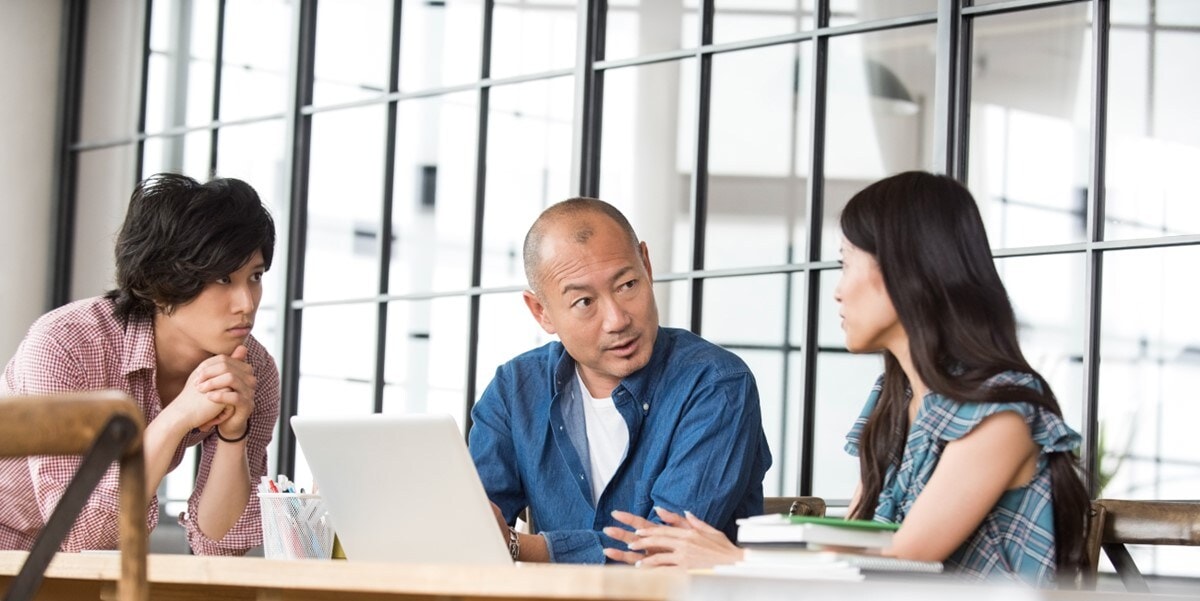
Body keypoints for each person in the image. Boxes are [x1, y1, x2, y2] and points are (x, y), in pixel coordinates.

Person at [603, 171, 1090, 586]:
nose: (836, 292)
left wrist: (735, 559)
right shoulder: (895, 403)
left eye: (845, 263)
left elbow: (902, 564)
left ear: (903, 272)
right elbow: (858, 544)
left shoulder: (1002, 414)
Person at [469, 197, 772, 564]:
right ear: (541, 312)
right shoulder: (514, 390)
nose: (617, 320)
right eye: (584, 302)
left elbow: (664, 550)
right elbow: (471, 525)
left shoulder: (716, 385)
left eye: (627, 284)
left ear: (646, 264)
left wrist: (525, 547)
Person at [0, 173, 280, 556]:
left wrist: (234, 435)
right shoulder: (66, 343)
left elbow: (219, 547)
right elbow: (78, 535)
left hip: (76, 568)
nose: (247, 303)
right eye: (222, 278)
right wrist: (177, 416)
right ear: (163, 278)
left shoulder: (253, 370)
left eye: (255, 277)